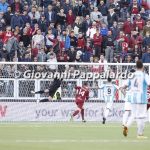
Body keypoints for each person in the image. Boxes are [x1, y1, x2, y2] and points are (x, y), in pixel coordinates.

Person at [122, 60, 150, 138]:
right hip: (142, 98)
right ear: (142, 67)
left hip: (133, 98)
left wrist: (122, 88)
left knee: (133, 115)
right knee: (142, 116)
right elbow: (149, 83)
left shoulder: (132, 75)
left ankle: (126, 126)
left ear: (136, 67)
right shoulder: (144, 75)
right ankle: (140, 134)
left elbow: (125, 85)